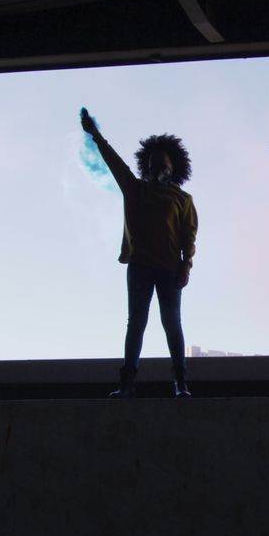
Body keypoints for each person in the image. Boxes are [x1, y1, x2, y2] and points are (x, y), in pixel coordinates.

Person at [80, 109, 198, 398]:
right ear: (146, 166)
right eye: (153, 162)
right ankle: (127, 384)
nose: (157, 166)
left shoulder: (183, 199)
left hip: (170, 268)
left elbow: (188, 235)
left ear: (173, 167)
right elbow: (114, 162)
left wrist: (186, 266)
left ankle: (181, 384)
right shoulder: (134, 188)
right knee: (136, 324)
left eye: (163, 162)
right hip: (141, 267)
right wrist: (95, 135)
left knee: (172, 323)